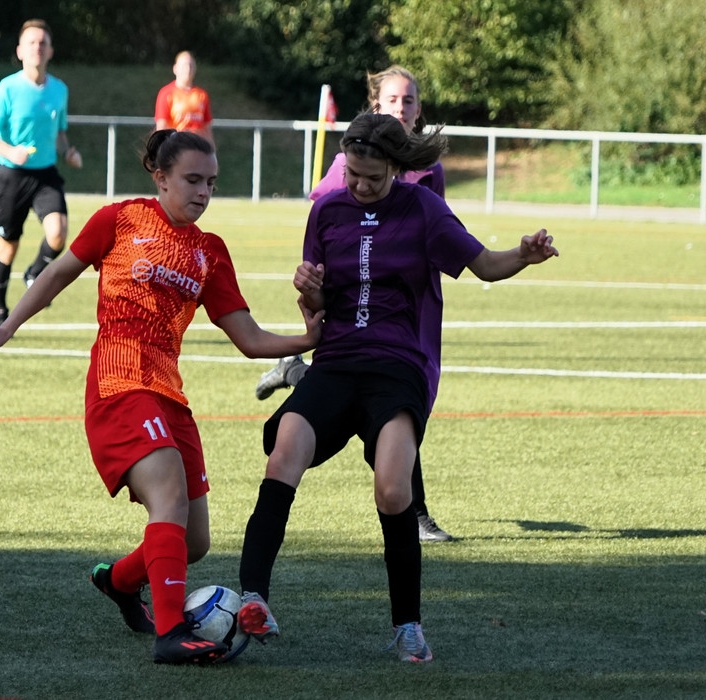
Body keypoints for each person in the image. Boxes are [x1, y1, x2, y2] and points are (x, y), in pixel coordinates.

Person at [0, 129, 322, 665]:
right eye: (192, 180)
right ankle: (171, 634)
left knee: (194, 541)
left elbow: (249, 338)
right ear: (160, 178)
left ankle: (117, 581)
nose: (203, 192)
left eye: (211, 183)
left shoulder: (210, 251)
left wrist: (307, 338)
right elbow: (57, 274)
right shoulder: (120, 219)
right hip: (118, 382)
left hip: (169, 395)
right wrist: (7, 326)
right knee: (169, 498)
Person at [236, 112, 558, 662]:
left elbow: (483, 265)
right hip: (337, 360)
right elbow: (319, 304)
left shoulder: (423, 208)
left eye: (373, 177)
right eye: (352, 175)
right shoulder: (327, 210)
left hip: (398, 366)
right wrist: (309, 290)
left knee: (392, 488)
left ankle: (408, 627)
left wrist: (523, 256)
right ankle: (253, 599)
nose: (360, 186)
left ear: (396, 168)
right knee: (284, 453)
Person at [255, 66, 452, 543]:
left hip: (407, 303)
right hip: (353, 307)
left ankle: (295, 372)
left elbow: (441, 232)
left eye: (409, 101)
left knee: (399, 403)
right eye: (392, 100)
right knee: (391, 404)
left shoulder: (429, 174)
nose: (401, 108)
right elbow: (329, 209)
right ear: (375, 106)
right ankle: (416, 513)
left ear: (419, 109)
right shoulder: (351, 163)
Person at [0, 18, 83, 328]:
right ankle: (0, 310)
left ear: (50, 51)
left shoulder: (59, 90)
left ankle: (35, 273)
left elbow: (59, 133)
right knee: (8, 245)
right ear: (20, 51)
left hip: (45, 174)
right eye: (31, 43)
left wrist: (68, 152)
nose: (37, 47)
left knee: (58, 233)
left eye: (43, 43)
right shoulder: (7, 89)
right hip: (12, 176)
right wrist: (10, 151)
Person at [154, 51, 214, 145]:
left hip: (197, 146)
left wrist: (212, 150)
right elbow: (161, 127)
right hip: (176, 146)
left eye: (191, 65)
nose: (188, 69)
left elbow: (207, 129)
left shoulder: (201, 94)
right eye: (184, 65)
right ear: (175, 68)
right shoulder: (166, 93)